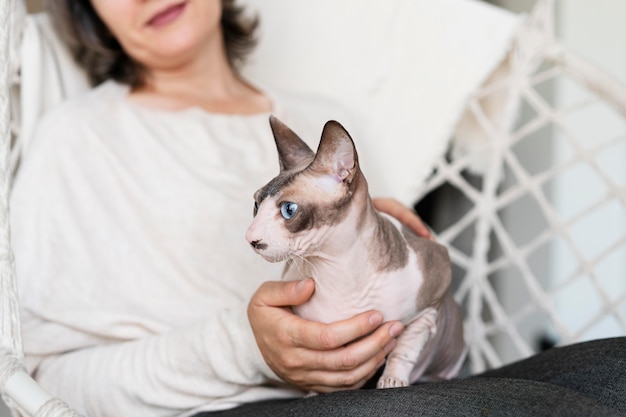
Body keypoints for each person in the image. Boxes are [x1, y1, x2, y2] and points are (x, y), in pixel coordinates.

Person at [10, 1, 625, 417]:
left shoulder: (321, 123)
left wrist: (367, 237)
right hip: (234, 408)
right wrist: (245, 347)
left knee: (614, 369)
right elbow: (39, 389)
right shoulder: (80, 138)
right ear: (88, 11)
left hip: (395, 384)